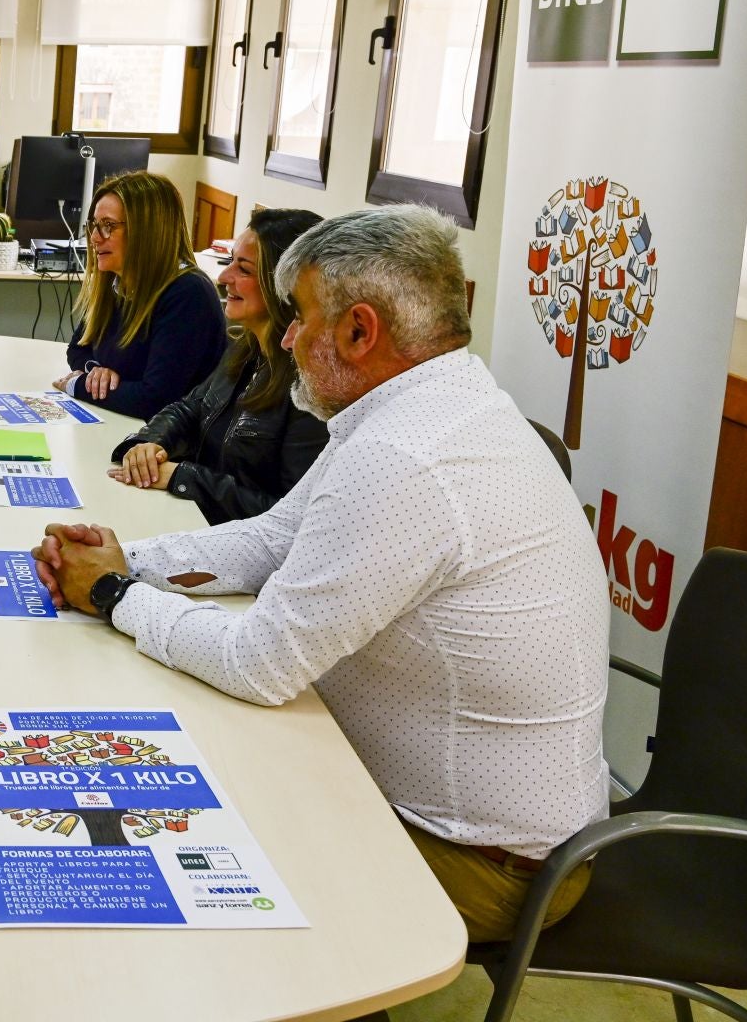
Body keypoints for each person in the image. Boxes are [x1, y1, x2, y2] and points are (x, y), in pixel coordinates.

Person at [32, 204, 609, 944]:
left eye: (300, 317)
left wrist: (113, 594)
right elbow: (276, 537)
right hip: (428, 809)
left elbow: (259, 663)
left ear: (360, 331)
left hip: (482, 864)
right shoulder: (426, 404)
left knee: (153, 838)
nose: (288, 339)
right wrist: (124, 557)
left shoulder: (405, 456)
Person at [110, 208, 328, 524]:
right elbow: (189, 409)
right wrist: (148, 443)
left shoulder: (311, 389)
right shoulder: (246, 347)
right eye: (230, 263)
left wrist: (183, 477)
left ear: (285, 285)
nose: (224, 278)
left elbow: (287, 516)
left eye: (244, 269)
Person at [53, 171, 227, 419]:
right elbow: (77, 349)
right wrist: (96, 372)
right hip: (121, 423)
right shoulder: (115, 282)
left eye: (108, 226)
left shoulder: (188, 293)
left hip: (164, 437)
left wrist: (79, 385)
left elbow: (155, 400)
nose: (94, 238)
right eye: (94, 225)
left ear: (147, 231)